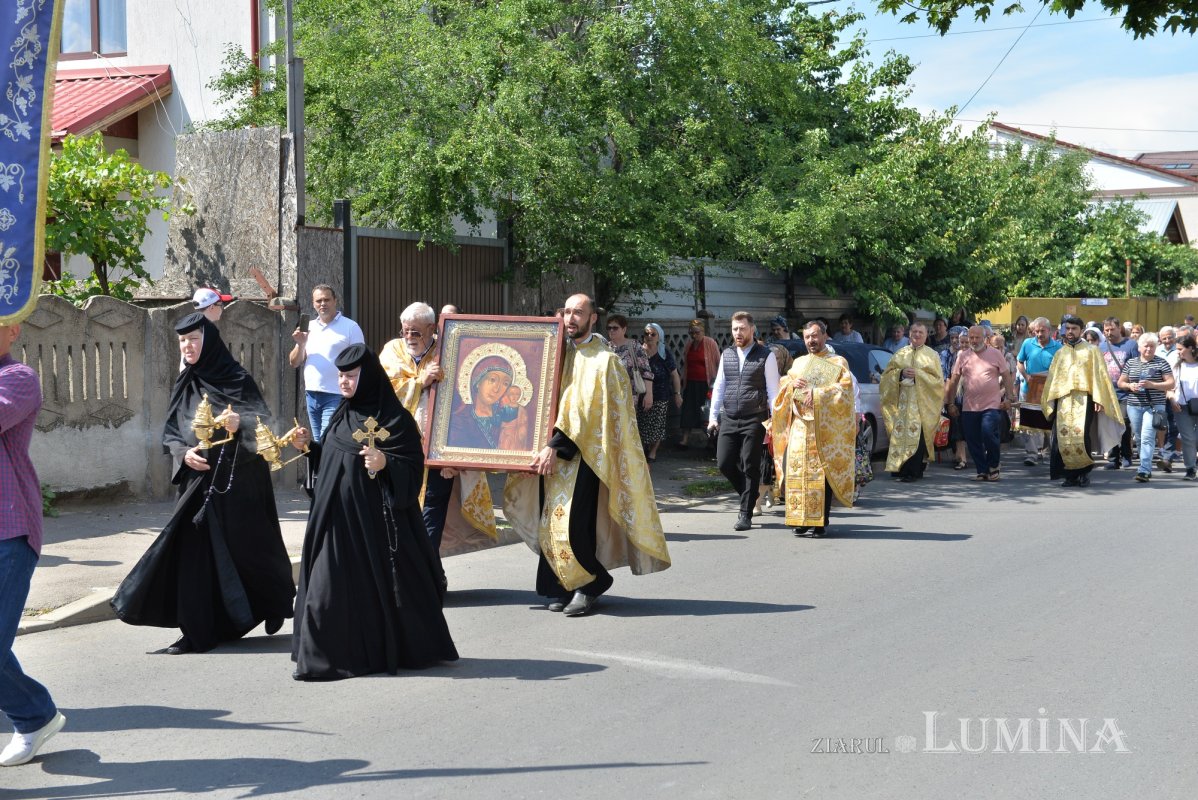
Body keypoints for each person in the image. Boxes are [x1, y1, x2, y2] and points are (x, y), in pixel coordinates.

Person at [112, 313, 296, 654]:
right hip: (198, 482)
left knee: (249, 552)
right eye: (182, 341)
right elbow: (170, 433)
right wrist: (183, 455)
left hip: (237, 483)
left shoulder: (237, 378)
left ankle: (269, 603)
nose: (187, 346)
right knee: (191, 551)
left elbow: (264, 426)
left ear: (208, 340)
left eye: (193, 339)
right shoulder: (185, 382)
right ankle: (196, 631)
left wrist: (240, 424)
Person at [291, 345, 458, 680]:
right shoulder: (343, 413)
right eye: (341, 376)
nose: (344, 382)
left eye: (351, 376)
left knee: (379, 595)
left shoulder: (397, 421)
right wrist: (310, 448)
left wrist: (386, 463)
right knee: (325, 593)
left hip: (376, 532)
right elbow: (332, 457)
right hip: (335, 524)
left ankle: (368, 652)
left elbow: (411, 470)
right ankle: (321, 656)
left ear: (366, 377)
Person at [504, 294, 670, 617]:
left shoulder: (604, 360)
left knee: (571, 523)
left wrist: (556, 447)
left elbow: (588, 412)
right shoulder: (557, 353)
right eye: (567, 312)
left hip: (586, 455)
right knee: (548, 520)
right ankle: (560, 586)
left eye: (578, 312)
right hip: (548, 450)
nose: (571, 318)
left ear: (593, 318)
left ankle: (590, 583)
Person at [379, 302, 497, 560]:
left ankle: (427, 576)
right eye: (405, 331)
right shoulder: (391, 351)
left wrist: (451, 456)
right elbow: (382, 395)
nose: (409, 337)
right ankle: (411, 575)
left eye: (416, 332)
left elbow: (464, 406)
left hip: (436, 453)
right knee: (399, 512)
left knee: (432, 514)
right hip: (400, 451)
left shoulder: (450, 353)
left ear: (432, 328)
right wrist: (420, 382)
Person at [0, 323, 66, 767]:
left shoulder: (18, 379)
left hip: (8, 531)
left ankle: (34, 714)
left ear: (13, 328)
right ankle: (36, 715)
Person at [772, 321, 855, 537]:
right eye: (807, 337)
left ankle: (820, 521)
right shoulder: (798, 364)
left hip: (824, 428)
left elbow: (844, 391)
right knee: (798, 472)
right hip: (800, 426)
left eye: (815, 336)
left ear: (825, 336)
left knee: (820, 474)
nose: (811, 340)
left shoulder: (838, 362)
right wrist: (791, 386)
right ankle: (800, 520)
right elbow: (783, 390)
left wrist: (817, 394)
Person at [707, 311, 781, 531]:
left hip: (754, 417)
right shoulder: (727, 354)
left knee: (750, 463)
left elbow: (773, 392)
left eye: (742, 328)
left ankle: (745, 513)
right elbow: (719, 386)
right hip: (729, 416)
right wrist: (712, 418)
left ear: (752, 329)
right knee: (724, 462)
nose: (738, 333)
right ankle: (750, 495)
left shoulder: (765, 355)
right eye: (735, 329)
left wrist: (774, 422)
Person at [1041, 315, 1124, 488]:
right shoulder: (1060, 353)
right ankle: (1069, 475)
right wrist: (1051, 401)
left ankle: (1083, 474)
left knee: (1081, 436)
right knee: (1062, 438)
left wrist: (1098, 398)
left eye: (1074, 329)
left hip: (1084, 400)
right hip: (1063, 400)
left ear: (1081, 330)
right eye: (1068, 328)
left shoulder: (1091, 351)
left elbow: (1100, 377)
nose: (1070, 332)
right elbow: (1052, 379)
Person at [289, 285, 365, 442]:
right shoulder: (308, 327)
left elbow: (361, 361)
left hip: (337, 393)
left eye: (327, 299)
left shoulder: (350, 327)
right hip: (312, 394)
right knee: (318, 442)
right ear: (313, 303)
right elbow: (294, 362)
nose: (323, 303)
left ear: (335, 301)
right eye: (319, 301)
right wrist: (301, 344)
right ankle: (321, 467)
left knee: (327, 439)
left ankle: (325, 467)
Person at [944, 325, 1015, 482]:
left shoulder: (995, 354)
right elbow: (954, 380)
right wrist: (950, 403)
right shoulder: (962, 355)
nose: (974, 341)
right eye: (971, 338)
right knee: (972, 439)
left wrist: (1010, 398)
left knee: (988, 433)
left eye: (977, 337)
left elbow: (1007, 376)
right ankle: (982, 470)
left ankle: (993, 466)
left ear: (985, 339)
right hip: (969, 406)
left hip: (992, 404)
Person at [880, 322, 943, 482]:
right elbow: (886, 376)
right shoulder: (900, 354)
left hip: (921, 404)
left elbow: (938, 381)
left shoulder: (932, 355)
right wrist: (900, 373)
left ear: (926, 335)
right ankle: (899, 469)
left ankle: (913, 471)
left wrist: (919, 375)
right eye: (914, 331)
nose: (917, 335)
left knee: (917, 436)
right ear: (909, 334)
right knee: (900, 434)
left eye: (920, 332)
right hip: (901, 403)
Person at [1117, 333, 1174, 482]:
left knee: (1148, 436)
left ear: (1156, 347)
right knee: (1140, 437)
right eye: (1146, 346)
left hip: (1154, 405)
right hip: (1134, 404)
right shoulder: (1131, 363)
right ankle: (1145, 464)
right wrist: (1130, 385)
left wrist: (1153, 385)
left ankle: (1144, 470)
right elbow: (1120, 382)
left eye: (1152, 346)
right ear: (1139, 347)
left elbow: (1171, 384)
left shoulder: (1162, 363)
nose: (1149, 349)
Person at [1015, 317, 1061, 466]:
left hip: (1050, 390)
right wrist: (1026, 376)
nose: (1039, 334)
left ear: (1050, 331)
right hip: (1029, 389)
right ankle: (1031, 454)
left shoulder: (1058, 347)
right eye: (1037, 331)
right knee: (1030, 421)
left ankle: (1047, 452)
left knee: (1048, 419)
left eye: (1042, 331)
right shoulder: (1028, 343)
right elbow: (1019, 362)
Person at [638, 323, 680, 462]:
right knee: (641, 424)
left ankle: (653, 452)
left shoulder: (664, 353)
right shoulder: (639, 351)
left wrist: (677, 394)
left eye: (653, 334)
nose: (649, 337)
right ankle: (642, 449)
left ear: (659, 336)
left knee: (657, 426)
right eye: (646, 334)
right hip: (640, 395)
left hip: (661, 395)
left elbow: (674, 375)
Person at [1101, 317, 1139, 470]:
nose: (1109, 333)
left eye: (1112, 329)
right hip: (1108, 393)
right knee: (1110, 426)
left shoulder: (1130, 345)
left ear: (1119, 328)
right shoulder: (1101, 347)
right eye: (1106, 330)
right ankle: (1113, 458)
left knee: (1124, 425)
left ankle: (1126, 456)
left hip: (1125, 393)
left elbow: (1136, 366)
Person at [678, 319, 721, 449]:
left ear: (703, 331)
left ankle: (710, 440)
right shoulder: (689, 344)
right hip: (691, 383)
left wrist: (718, 382)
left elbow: (719, 362)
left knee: (706, 412)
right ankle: (685, 439)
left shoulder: (710, 343)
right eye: (691, 333)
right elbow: (686, 364)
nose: (694, 335)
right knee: (688, 411)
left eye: (696, 332)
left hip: (705, 383)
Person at [606, 314, 654, 410]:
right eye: (609, 328)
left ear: (624, 329)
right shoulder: (605, 347)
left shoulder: (634, 345)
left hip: (630, 396)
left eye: (615, 328)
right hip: (609, 396)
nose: (611, 330)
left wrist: (649, 394)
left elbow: (646, 371)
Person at [1169, 335, 1198, 480]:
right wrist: (1172, 399)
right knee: (1188, 438)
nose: (1178, 352)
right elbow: (1169, 387)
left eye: (1180, 349)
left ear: (1191, 348)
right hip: (1182, 407)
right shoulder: (1176, 365)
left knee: (1195, 438)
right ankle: (1190, 468)